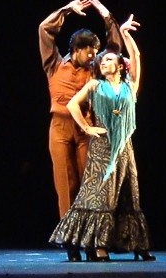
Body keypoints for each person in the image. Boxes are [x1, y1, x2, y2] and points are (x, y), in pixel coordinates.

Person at [49, 16, 152, 261]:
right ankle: (98, 247)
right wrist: (87, 128)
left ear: (119, 65)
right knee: (97, 196)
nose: (102, 61)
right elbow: (73, 105)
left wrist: (126, 34)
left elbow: (136, 58)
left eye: (108, 59)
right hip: (101, 149)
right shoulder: (95, 85)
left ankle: (138, 245)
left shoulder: (130, 86)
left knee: (129, 195)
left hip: (124, 149)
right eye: (101, 59)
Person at [38, 0, 128, 229]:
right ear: (77, 49)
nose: (93, 58)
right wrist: (67, 9)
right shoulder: (55, 64)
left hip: (86, 129)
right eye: (89, 52)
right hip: (59, 129)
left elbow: (114, 49)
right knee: (65, 184)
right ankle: (69, 235)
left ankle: (89, 233)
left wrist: (105, 13)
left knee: (88, 182)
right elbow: (44, 30)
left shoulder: (94, 68)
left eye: (95, 53)